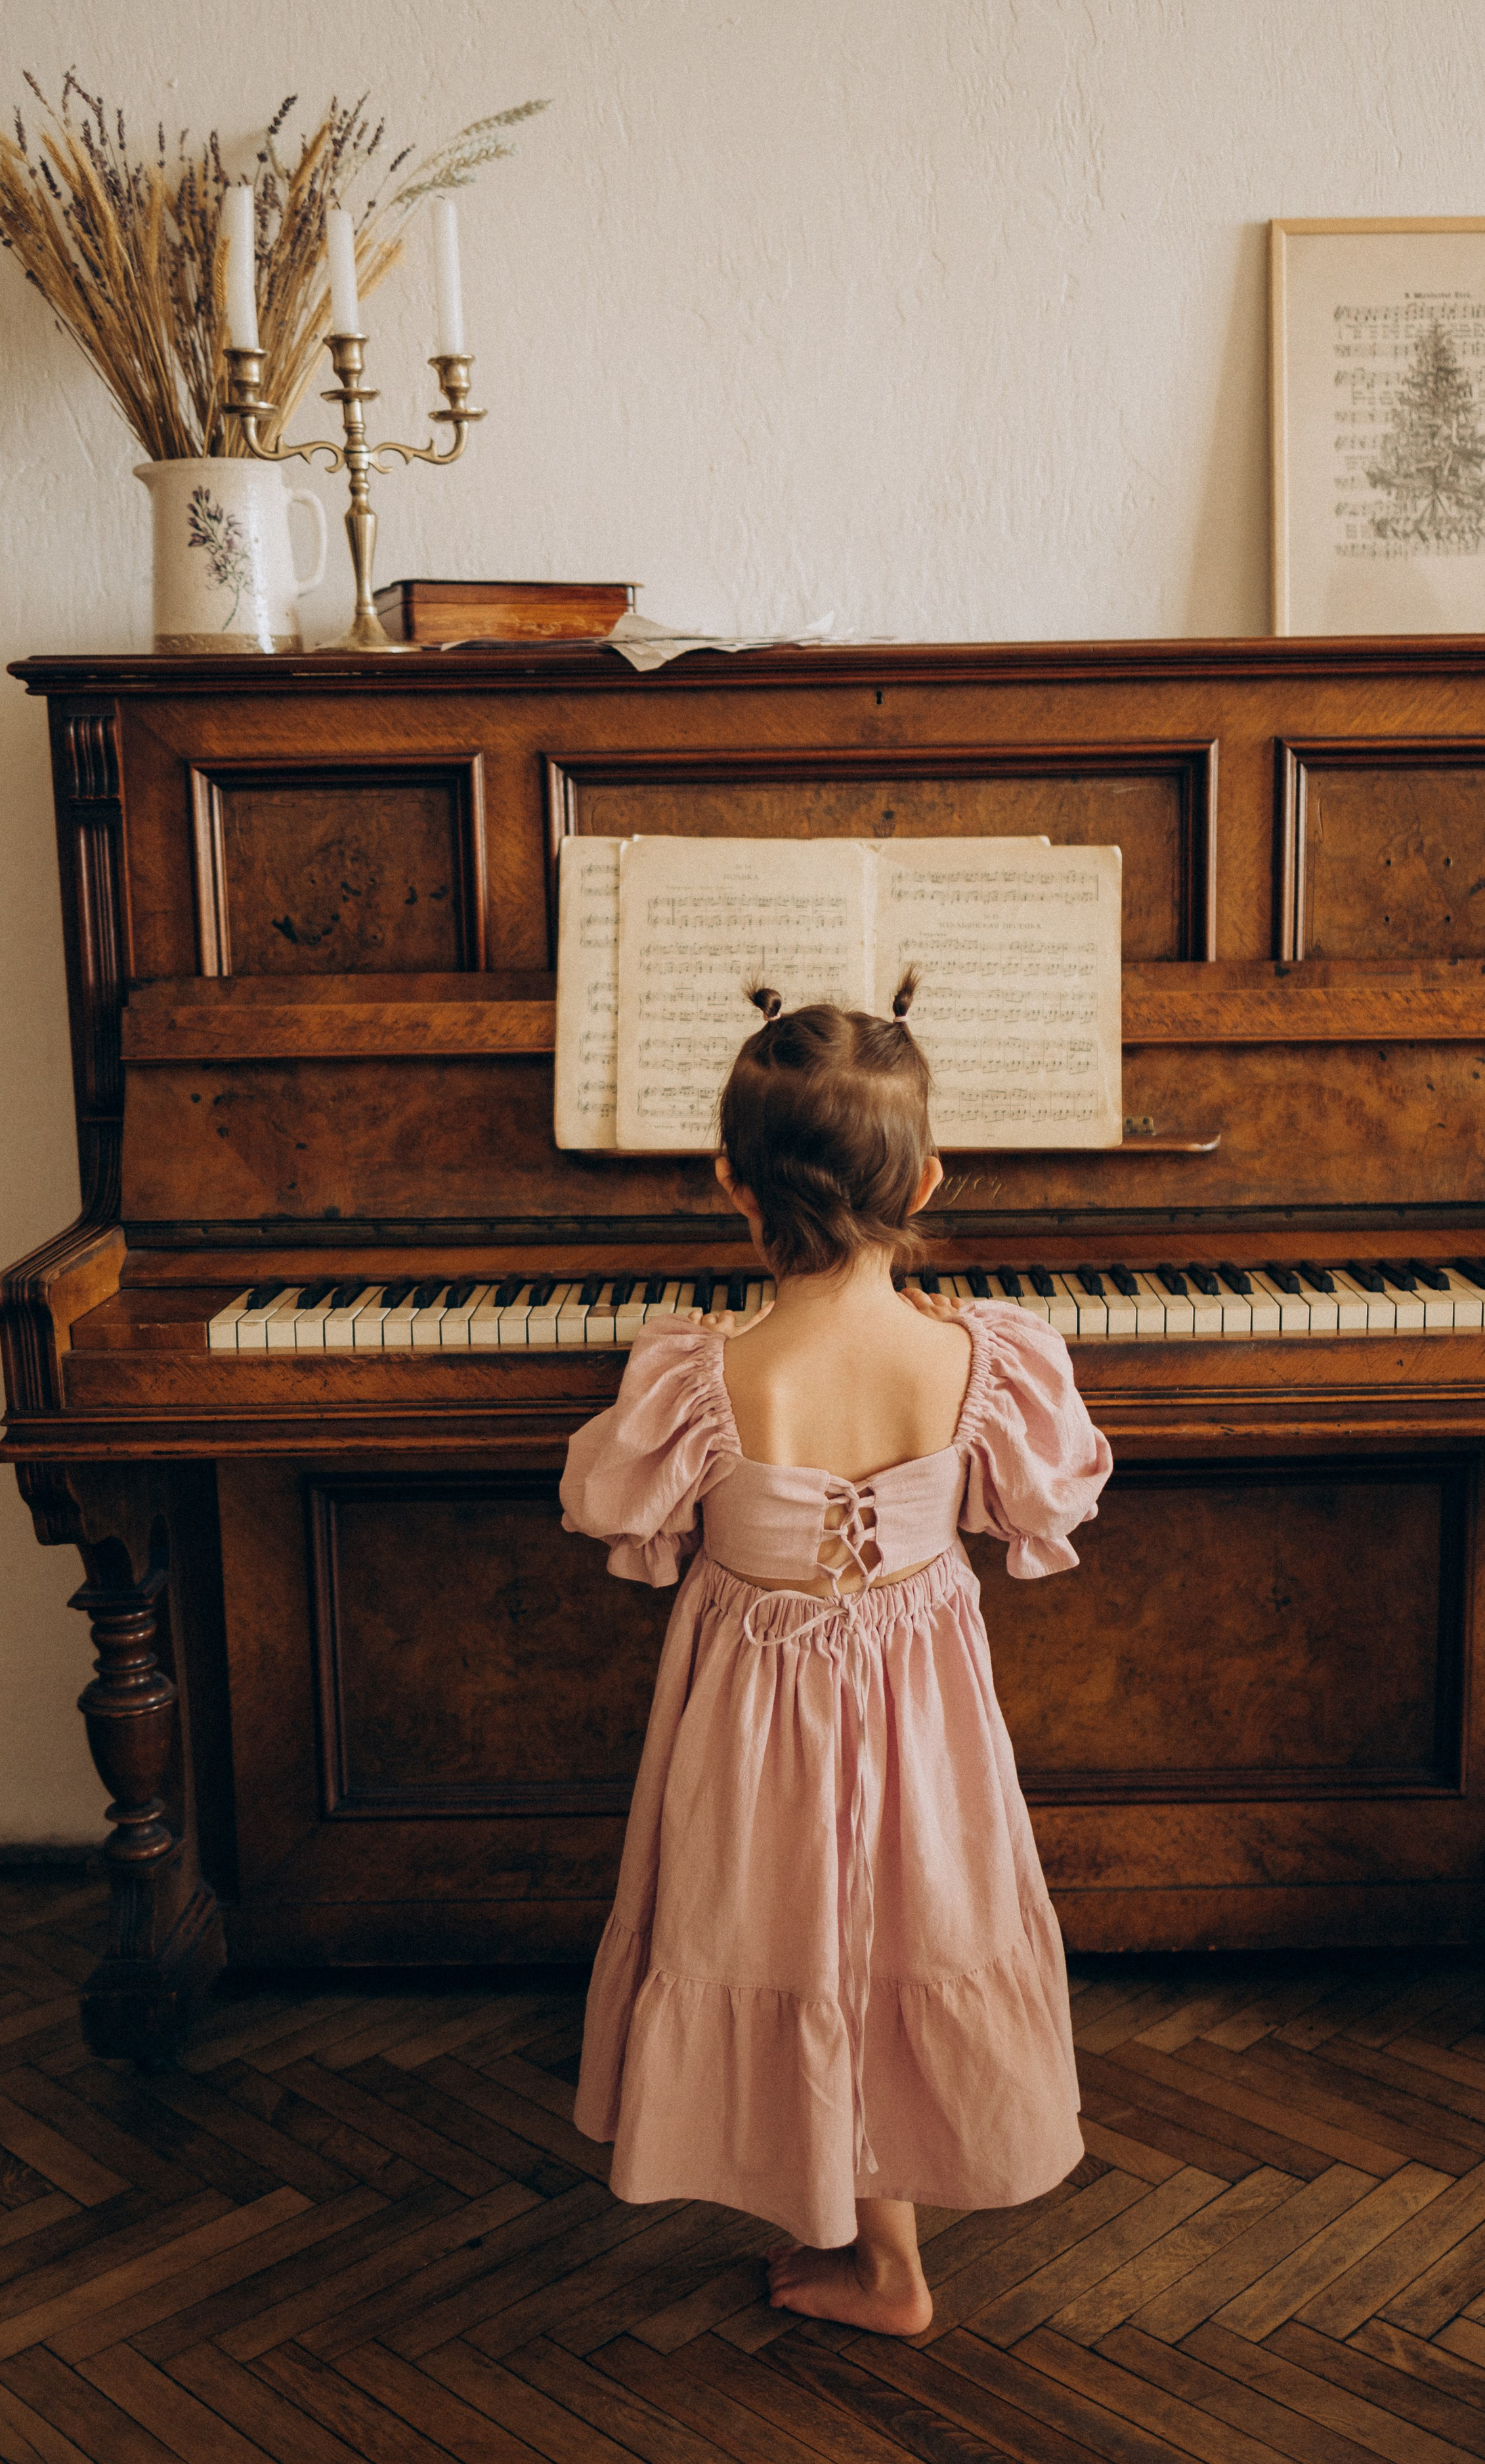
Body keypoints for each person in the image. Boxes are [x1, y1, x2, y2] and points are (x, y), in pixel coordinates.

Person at [560, 971, 1113, 2335]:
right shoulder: (980, 1357)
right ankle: (891, 2262)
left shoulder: (702, 1372)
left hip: (754, 1720)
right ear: (923, 1183)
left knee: (782, 1941)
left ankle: (866, 2250)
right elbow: (1043, 1506)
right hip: (922, 1715)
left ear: (730, 1185)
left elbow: (609, 1508)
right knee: (903, 1937)